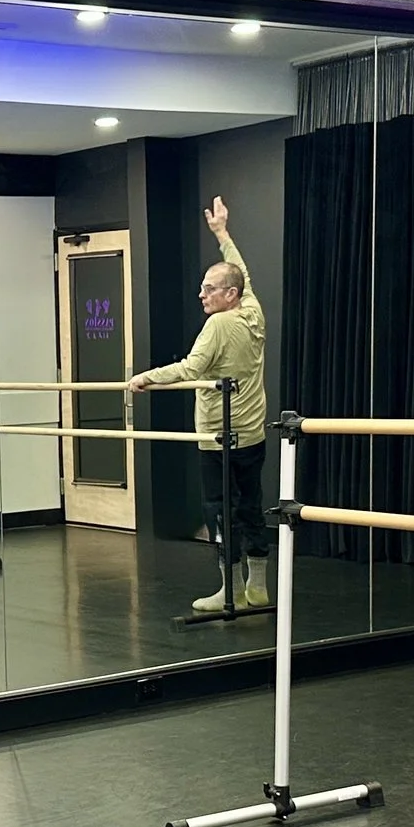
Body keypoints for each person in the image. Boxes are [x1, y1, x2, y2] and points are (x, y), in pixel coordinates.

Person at [129, 196, 268, 613]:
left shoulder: (219, 323)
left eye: (209, 289)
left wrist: (145, 378)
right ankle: (256, 588)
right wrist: (222, 233)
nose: (201, 294)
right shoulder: (252, 311)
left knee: (220, 513)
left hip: (218, 437)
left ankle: (230, 592)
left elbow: (190, 369)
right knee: (250, 508)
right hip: (252, 435)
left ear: (229, 294)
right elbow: (242, 273)